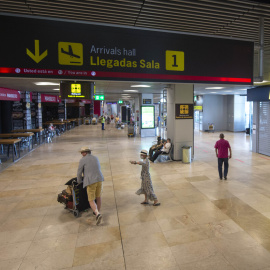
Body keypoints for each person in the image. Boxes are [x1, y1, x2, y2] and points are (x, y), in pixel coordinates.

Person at [77, 146, 104, 225]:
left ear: (85, 152)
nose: (81, 154)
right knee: (98, 197)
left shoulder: (82, 160)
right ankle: (97, 211)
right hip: (99, 179)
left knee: (91, 199)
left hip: (91, 181)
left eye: (82, 152)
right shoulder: (96, 158)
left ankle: (97, 214)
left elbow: (79, 173)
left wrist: (79, 182)